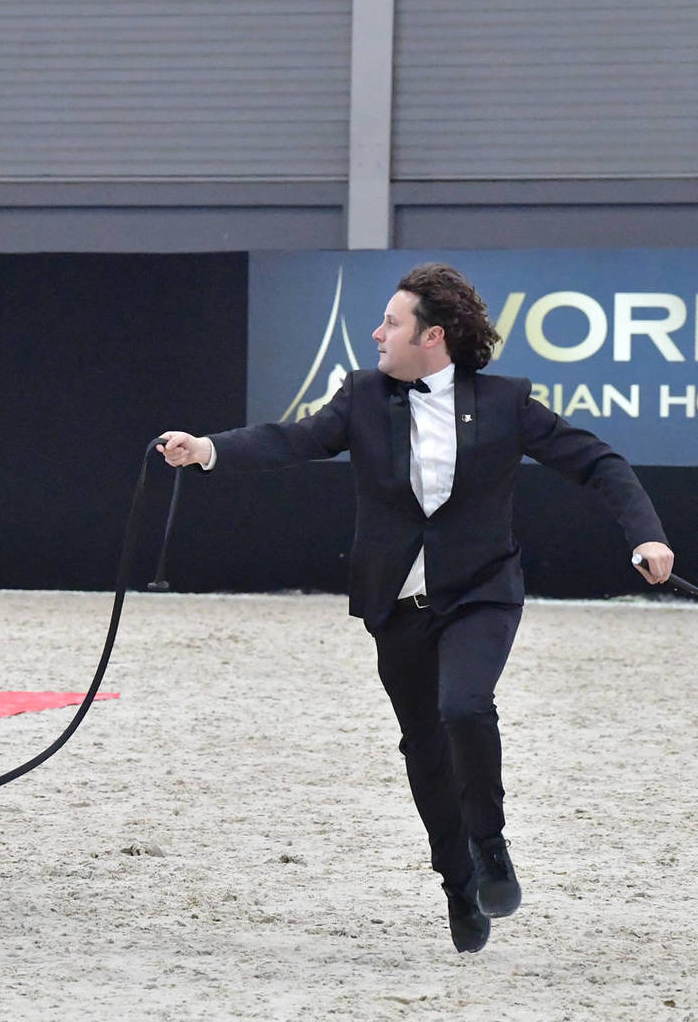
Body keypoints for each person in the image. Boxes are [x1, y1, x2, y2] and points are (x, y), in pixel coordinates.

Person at [157, 262, 674, 954]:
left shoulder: (507, 401)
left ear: (433, 336)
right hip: (396, 601)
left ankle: (490, 844)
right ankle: (458, 881)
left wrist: (646, 532)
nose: (377, 332)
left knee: (464, 705)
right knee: (424, 749)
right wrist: (208, 449)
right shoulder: (363, 396)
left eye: (392, 322)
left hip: (481, 591)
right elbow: (292, 439)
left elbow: (598, 462)